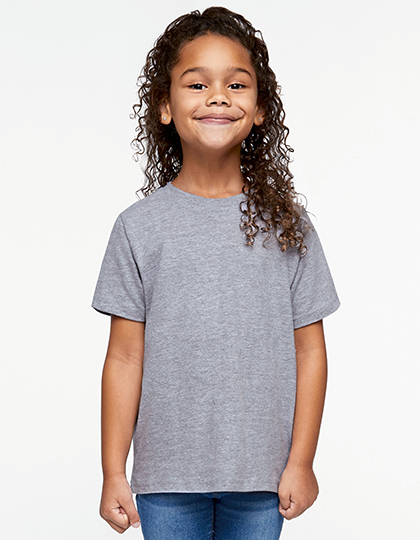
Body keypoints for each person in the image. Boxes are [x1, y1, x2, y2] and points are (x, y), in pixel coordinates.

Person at [91, 6, 340, 539]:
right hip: (165, 479)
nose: (218, 97)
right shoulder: (138, 227)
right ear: (165, 105)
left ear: (260, 108)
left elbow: (310, 351)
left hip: (262, 476)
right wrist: (113, 472)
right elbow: (124, 356)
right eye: (197, 84)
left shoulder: (287, 225)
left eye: (237, 84)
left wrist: (302, 460)